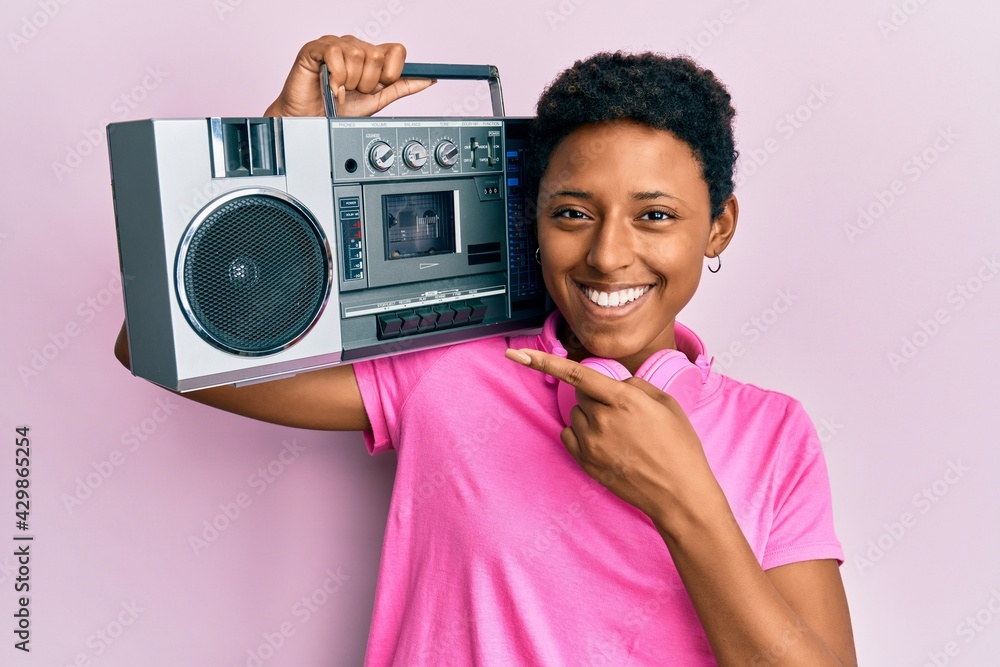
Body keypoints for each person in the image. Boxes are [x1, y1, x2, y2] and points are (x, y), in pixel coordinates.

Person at [115, 35, 857, 666]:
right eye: (572, 212)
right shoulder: (449, 368)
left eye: (654, 215)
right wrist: (284, 150)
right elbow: (153, 342)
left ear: (719, 226)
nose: (607, 254)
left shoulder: (776, 434)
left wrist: (684, 496)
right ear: (531, 219)